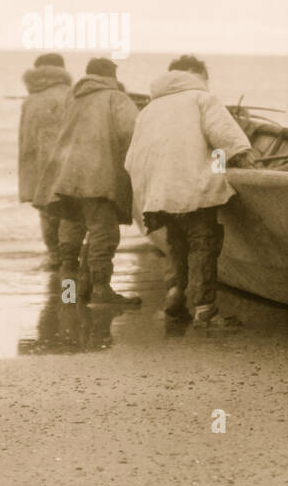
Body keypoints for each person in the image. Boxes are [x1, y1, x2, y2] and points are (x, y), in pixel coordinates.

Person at [125, 55, 258, 329]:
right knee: (203, 245)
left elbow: (131, 159)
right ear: (199, 76)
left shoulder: (150, 109)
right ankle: (205, 309)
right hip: (193, 188)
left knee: (175, 242)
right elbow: (226, 138)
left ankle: (174, 294)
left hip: (159, 193)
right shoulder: (202, 99)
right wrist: (245, 161)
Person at [34, 57, 141, 305]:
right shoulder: (116, 98)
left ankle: (71, 294)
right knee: (104, 234)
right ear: (112, 76)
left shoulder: (73, 98)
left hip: (67, 180)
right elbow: (133, 132)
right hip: (98, 179)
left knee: (70, 241)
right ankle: (101, 290)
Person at [18, 53, 85, 270]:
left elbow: (24, 139)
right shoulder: (71, 95)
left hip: (38, 164)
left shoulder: (30, 99)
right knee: (68, 211)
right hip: (65, 163)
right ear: (62, 70)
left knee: (46, 212)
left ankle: (54, 255)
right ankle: (69, 258)